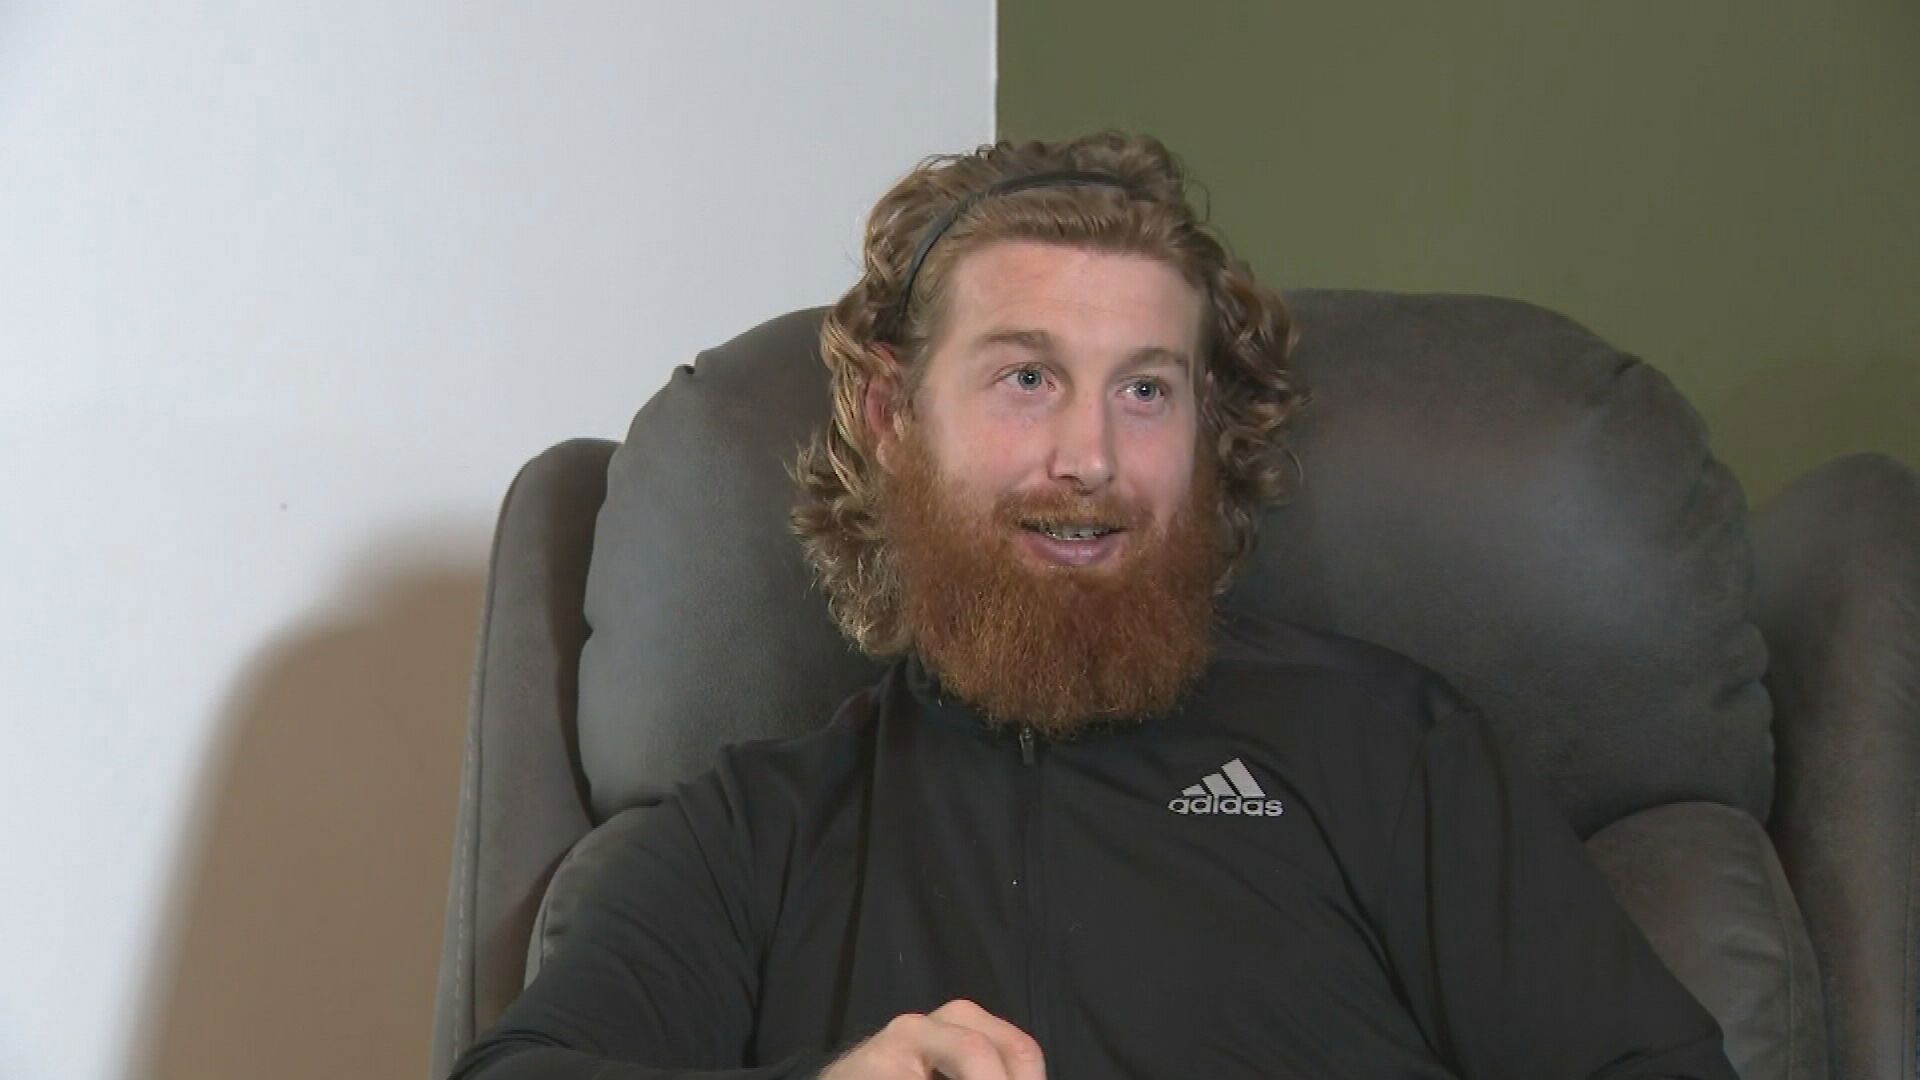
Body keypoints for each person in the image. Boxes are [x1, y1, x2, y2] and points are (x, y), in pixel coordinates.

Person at [447, 132, 1737, 1079]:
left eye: (1146, 390)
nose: (1093, 459)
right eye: (1027, 378)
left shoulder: (1387, 746)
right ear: (893, 418)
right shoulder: (761, 830)